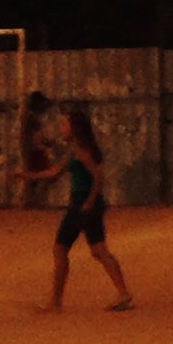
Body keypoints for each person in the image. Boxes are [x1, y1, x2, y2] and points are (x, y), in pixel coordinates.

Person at [31, 95, 132, 311]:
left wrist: (89, 201)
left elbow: (98, 176)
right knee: (89, 250)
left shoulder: (81, 151)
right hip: (81, 202)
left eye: (64, 124)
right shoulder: (75, 150)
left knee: (76, 250)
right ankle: (120, 293)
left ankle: (58, 301)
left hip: (83, 202)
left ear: (74, 128)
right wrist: (27, 176)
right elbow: (55, 172)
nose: (61, 128)